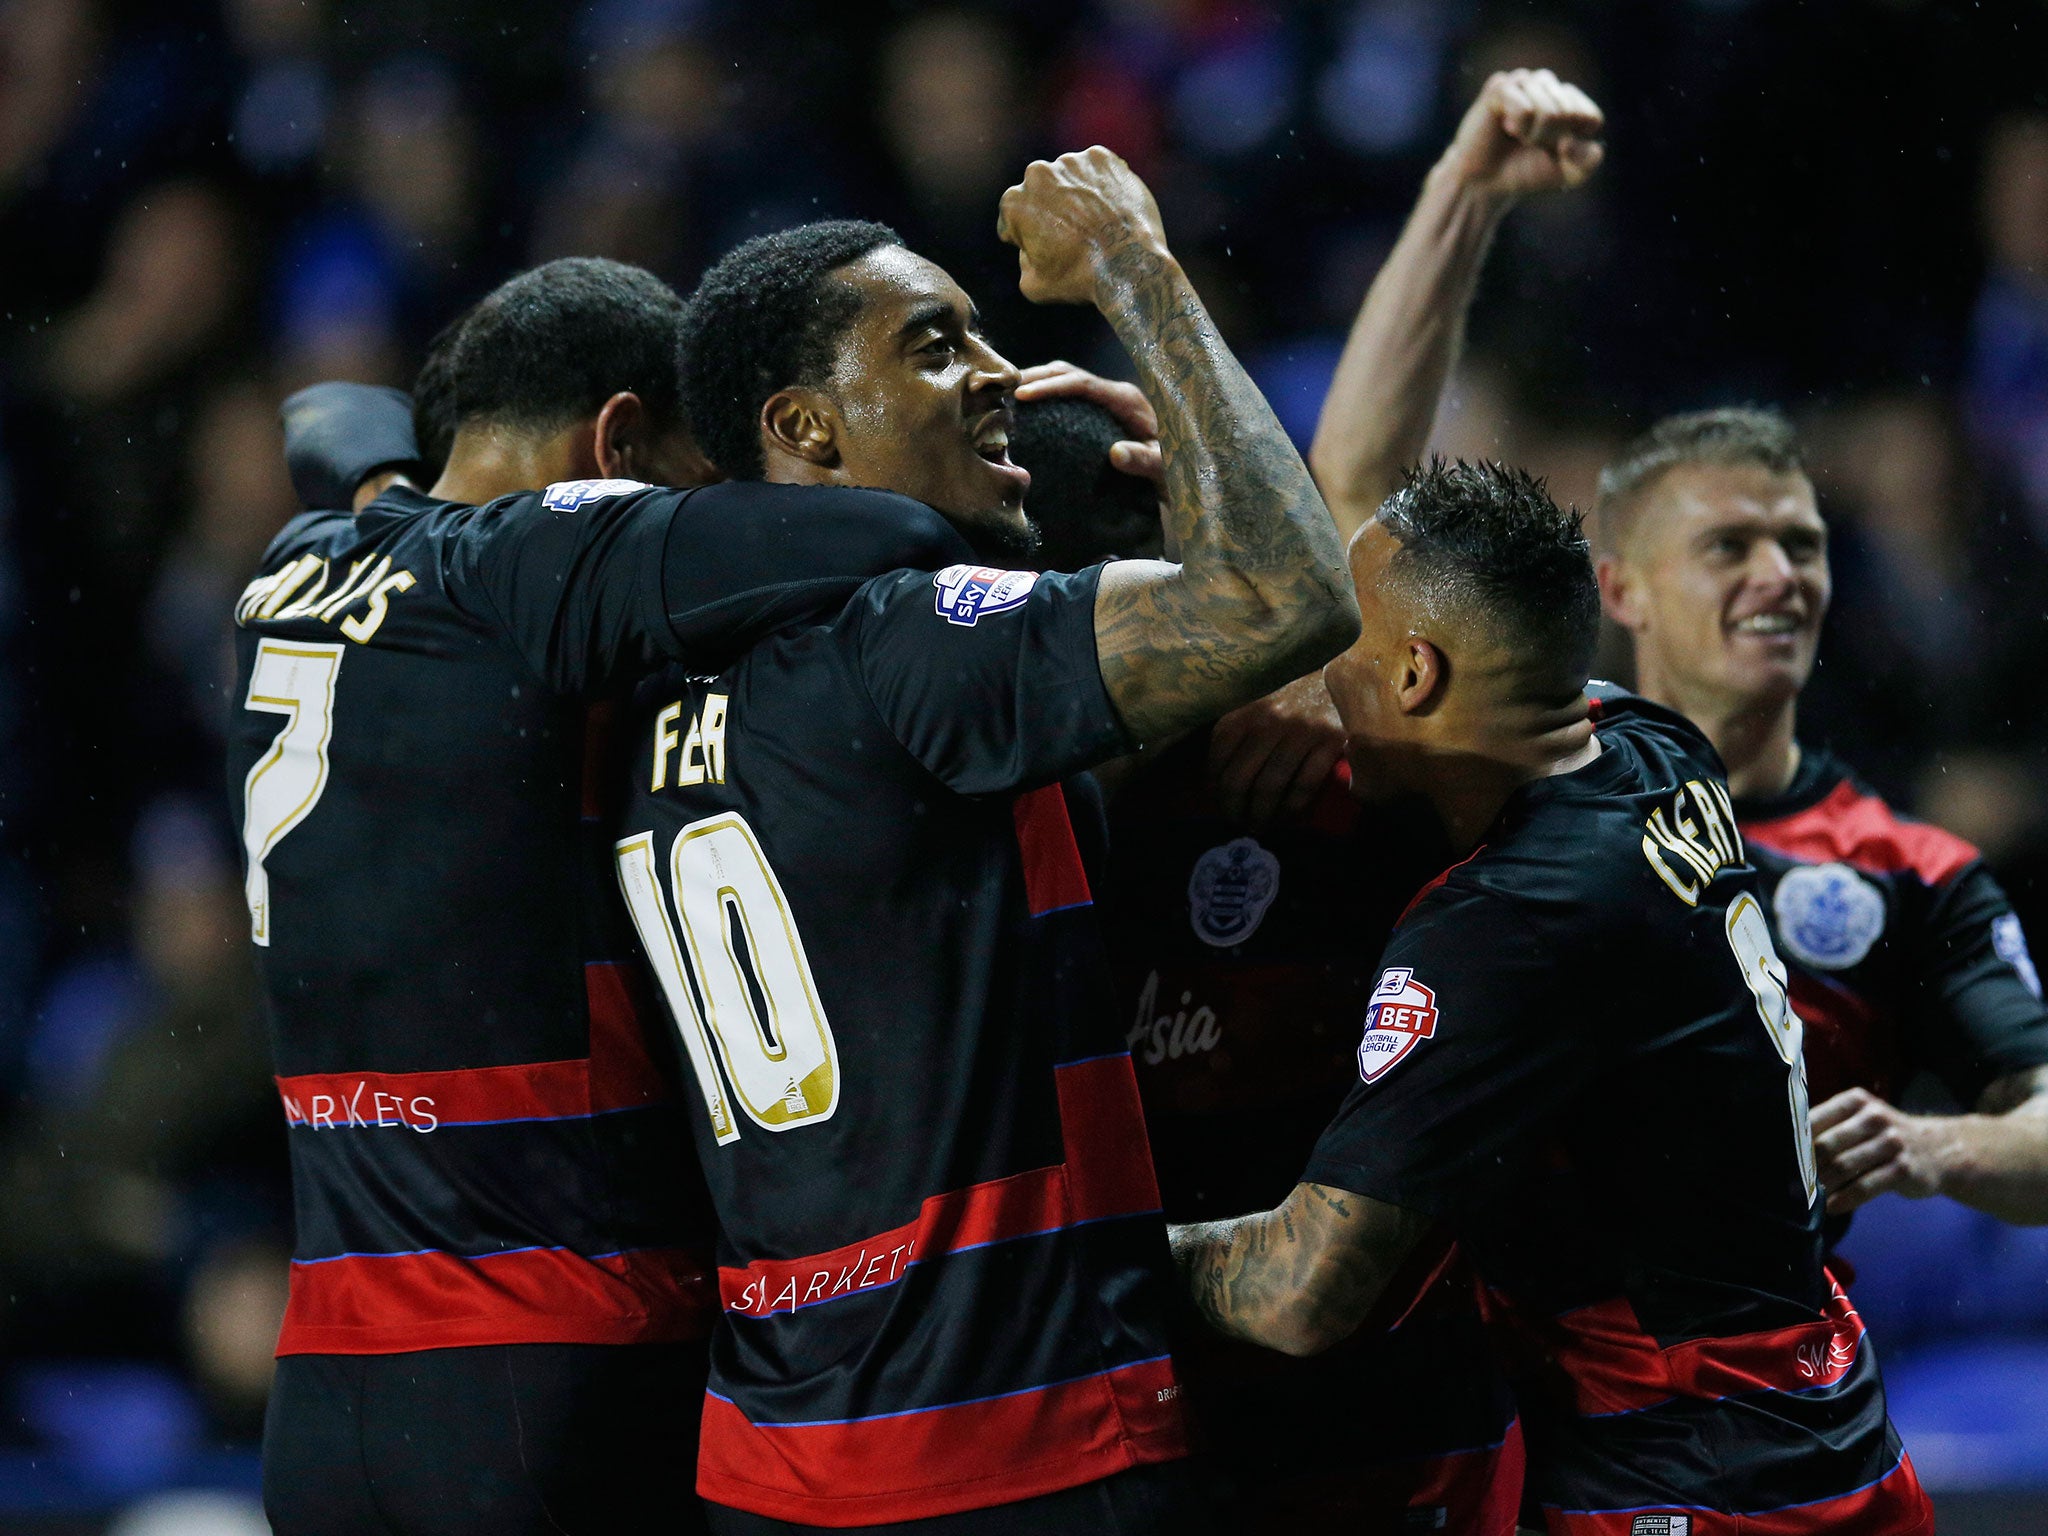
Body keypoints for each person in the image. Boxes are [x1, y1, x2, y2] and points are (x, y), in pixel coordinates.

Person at [607, 147, 1355, 1533]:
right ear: (807, 429)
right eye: (937, 346)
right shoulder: (907, 641)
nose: (999, 372)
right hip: (1015, 1447)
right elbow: (1287, 595)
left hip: (776, 1459)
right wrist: (1138, 268)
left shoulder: (659, 689)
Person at [235, 256, 971, 1536]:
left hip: (326, 1390)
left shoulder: (297, 563)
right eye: (683, 481)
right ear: (616, 439)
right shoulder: (522, 572)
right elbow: (896, 531)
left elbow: (328, 416)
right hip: (552, 1367)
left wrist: (382, 491)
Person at [1169, 459, 1935, 1533]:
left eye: (1341, 642)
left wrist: (1086, 1251)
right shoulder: (1655, 747)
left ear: (1413, 675)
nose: (1319, 670)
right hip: (1826, 1426)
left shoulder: (1503, 926)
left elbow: (1301, 1291)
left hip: (1690, 1479)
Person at [1056, 68, 1602, 1534]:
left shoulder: (1321, 742)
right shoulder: (975, 798)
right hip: (1148, 1430)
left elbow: (1355, 489)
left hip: (1396, 1416)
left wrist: (1462, 191)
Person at [1594, 408, 2048, 1226]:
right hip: (1524, 1339)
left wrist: (1930, 1148)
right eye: (1728, 546)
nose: (1780, 574)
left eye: (1802, 545)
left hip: (1780, 1347)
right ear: (1623, 589)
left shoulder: (1909, 869)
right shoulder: (1523, 800)